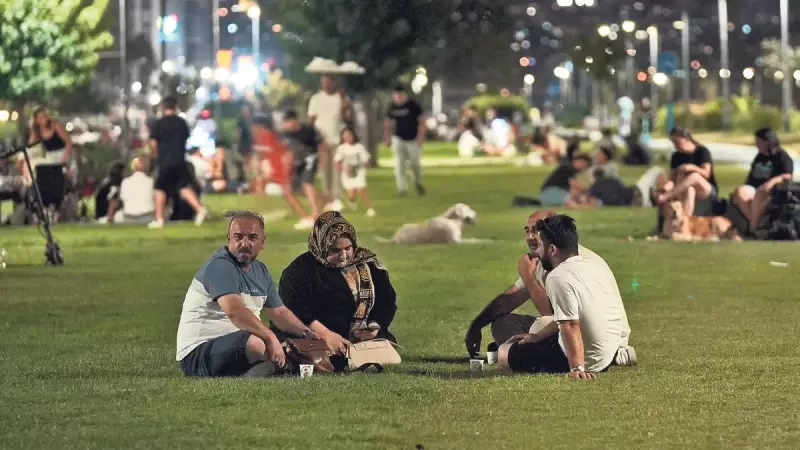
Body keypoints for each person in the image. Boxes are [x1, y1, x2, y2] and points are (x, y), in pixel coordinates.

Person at [176, 211, 321, 377]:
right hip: (199, 353)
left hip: (242, 342)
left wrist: (307, 334)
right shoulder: (221, 266)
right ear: (228, 238)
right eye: (238, 237)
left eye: (252, 238)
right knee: (258, 343)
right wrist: (270, 337)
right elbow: (234, 311)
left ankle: (270, 369)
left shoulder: (261, 270)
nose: (244, 243)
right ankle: (278, 368)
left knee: (296, 345)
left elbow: (279, 312)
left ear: (262, 241)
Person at [496, 214, 635, 378]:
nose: (538, 252)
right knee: (541, 330)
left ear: (553, 250)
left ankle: (577, 363)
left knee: (503, 352)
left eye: (540, 246)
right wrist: (537, 337)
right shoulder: (592, 265)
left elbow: (570, 325)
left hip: (589, 359)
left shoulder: (558, 276)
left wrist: (577, 368)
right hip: (608, 351)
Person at [277, 211, 398, 360]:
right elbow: (295, 311)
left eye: (348, 248)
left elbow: (386, 299)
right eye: (335, 250)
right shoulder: (299, 271)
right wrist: (327, 335)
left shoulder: (368, 264)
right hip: (315, 335)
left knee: (385, 350)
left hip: (360, 338)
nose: (343, 256)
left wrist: (374, 326)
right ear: (322, 245)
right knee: (320, 357)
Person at [148, 96, 208, 228]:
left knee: (160, 189)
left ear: (163, 107)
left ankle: (159, 219)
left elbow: (153, 143)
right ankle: (200, 209)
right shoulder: (181, 123)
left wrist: (156, 156)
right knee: (184, 187)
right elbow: (185, 140)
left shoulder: (159, 123)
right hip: (179, 160)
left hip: (165, 161)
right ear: (175, 107)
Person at [732, 128, 795, 230]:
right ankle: (756, 224)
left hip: (772, 190)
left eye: (759, 142)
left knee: (760, 192)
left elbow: (787, 175)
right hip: (754, 188)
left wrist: (771, 182)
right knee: (740, 191)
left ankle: (754, 227)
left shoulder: (782, 156)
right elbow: (751, 176)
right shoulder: (759, 157)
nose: (756, 144)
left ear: (768, 142)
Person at [308, 74, 352, 211]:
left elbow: (348, 118)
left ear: (333, 83)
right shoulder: (316, 98)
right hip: (322, 140)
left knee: (337, 170)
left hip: (337, 138)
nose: (325, 84)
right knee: (324, 170)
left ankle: (337, 197)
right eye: (323, 82)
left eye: (328, 82)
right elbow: (312, 119)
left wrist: (345, 106)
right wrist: (315, 138)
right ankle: (327, 197)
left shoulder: (341, 97)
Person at [281, 110, 330, 230]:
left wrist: (323, 160)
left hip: (311, 157)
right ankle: (307, 215)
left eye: (289, 122)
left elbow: (323, 145)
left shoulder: (308, 130)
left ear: (295, 120)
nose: (287, 125)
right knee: (289, 191)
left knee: (307, 183)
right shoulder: (286, 133)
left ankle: (315, 215)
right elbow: (286, 151)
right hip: (296, 162)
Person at [656, 127, 718, 217]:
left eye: (677, 142)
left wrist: (691, 167)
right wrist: (666, 186)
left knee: (695, 176)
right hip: (683, 189)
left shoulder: (702, 151)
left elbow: (706, 174)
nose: (675, 146)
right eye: (673, 143)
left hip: (705, 188)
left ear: (686, 139)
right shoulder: (676, 156)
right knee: (690, 189)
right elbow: (672, 179)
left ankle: (667, 195)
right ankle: (685, 222)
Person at [385, 86, 426, 196]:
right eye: (396, 95)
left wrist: (420, 137)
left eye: (400, 95)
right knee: (399, 164)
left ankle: (418, 182)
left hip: (412, 139)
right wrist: (388, 137)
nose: (398, 98)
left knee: (415, 163)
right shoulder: (392, 106)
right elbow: (388, 123)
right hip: (398, 139)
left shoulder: (413, 105)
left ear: (404, 95)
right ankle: (402, 188)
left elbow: (422, 122)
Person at [19, 106, 74, 185]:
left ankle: (30, 184)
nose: (42, 118)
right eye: (39, 117)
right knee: (27, 163)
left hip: (62, 153)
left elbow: (68, 142)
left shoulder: (55, 125)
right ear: (36, 119)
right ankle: (29, 185)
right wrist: (33, 128)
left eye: (43, 116)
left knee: (34, 163)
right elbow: (30, 145)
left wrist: (63, 159)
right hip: (50, 155)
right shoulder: (37, 130)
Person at [334, 127, 375, 217]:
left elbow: (365, 160)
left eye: (349, 135)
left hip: (358, 171)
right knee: (351, 190)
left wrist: (366, 163)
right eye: (345, 135)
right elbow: (337, 162)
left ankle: (369, 208)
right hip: (347, 173)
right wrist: (343, 168)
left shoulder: (359, 147)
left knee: (361, 189)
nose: (347, 137)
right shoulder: (341, 148)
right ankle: (351, 201)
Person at [109, 157, 155, 224]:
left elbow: (122, 203)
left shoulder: (125, 182)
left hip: (128, 218)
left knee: (117, 216)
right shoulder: (151, 181)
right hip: (148, 217)